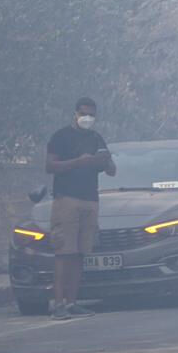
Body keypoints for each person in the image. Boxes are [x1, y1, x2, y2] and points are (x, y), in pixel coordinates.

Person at [45, 98, 116, 320]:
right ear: (75, 113)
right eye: (84, 114)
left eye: (92, 115)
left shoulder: (96, 138)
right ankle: (58, 304)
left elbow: (111, 170)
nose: (88, 118)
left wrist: (105, 161)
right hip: (67, 199)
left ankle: (72, 302)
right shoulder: (61, 136)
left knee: (79, 253)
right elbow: (50, 166)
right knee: (63, 252)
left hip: (90, 200)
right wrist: (78, 162)